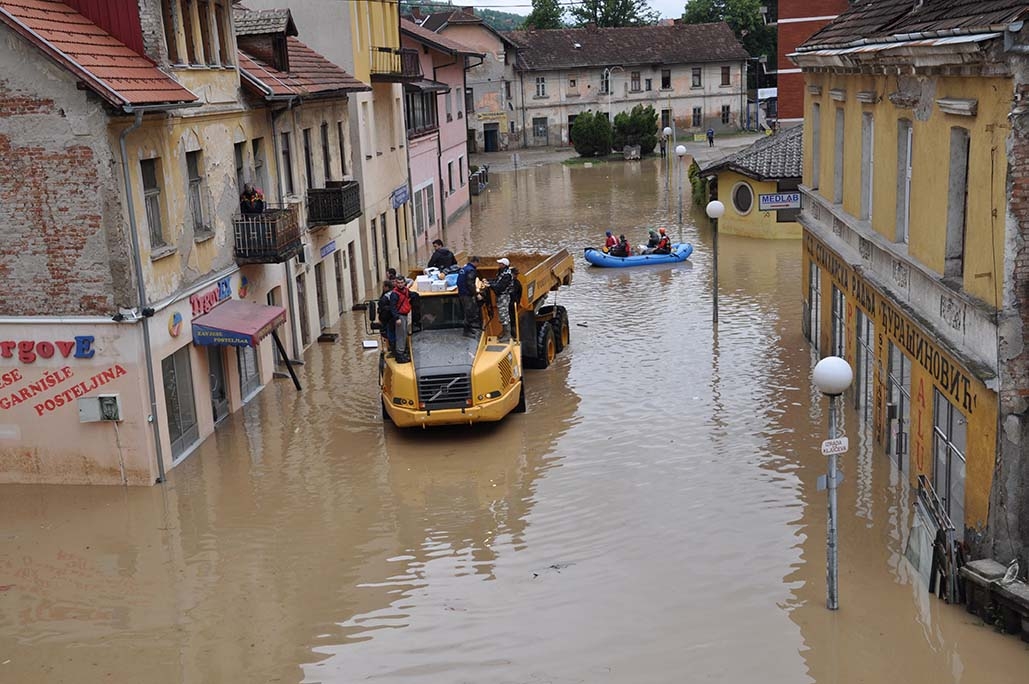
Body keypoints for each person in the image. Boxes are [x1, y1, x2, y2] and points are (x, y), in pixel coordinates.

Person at [490, 258, 515, 341]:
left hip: (504, 296)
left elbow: (500, 287)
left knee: (504, 315)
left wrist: (490, 285)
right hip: (501, 296)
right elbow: (497, 282)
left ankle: (507, 335)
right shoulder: (501, 273)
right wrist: (489, 282)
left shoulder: (506, 275)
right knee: (502, 315)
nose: (499, 265)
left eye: (500, 264)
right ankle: (505, 333)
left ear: (504, 265)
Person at [389, 278, 412, 363]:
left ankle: (402, 352)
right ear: (396, 283)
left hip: (405, 315)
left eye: (402, 283)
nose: (400, 284)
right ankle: (399, 355)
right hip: (400, 316)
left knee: (404, 334)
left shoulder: (406, 291)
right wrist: (397, 318)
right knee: (400, 335)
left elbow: (411, 295)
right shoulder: (394, 294)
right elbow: (393, 307)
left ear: (404, 283)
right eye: (398, 283)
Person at [457, 256, 481, 338]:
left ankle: (469, 328)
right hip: (467, 295)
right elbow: (470, 284)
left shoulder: (464, 268)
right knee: (470, 312)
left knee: (467, 311)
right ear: (475, 262)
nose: (478, 265)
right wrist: (476, 294)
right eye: (478, 263)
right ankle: (466, 331)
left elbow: (459, 282)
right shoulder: (471, 270)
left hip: (462, 293)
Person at [376, 279, 396, 355]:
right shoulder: (396, 294)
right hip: (396, 319)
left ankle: (392, 350)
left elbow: (382, 311)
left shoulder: (385, 298)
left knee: (389, 336)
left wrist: (381, 320)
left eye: (383, 286)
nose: (382, 288)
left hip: (388, 321)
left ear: (386, 287)